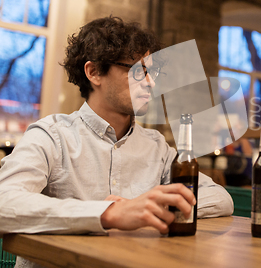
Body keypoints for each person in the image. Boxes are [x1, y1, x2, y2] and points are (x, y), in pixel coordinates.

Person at [0, 17, 233, 248]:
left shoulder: (156, 147)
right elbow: (4, 203)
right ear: (94, 73)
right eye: (138, 71)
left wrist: (146, 209)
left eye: (153, 71)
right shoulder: (51, 136)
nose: (151, 82)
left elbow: (220, 198)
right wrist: (109, 213)